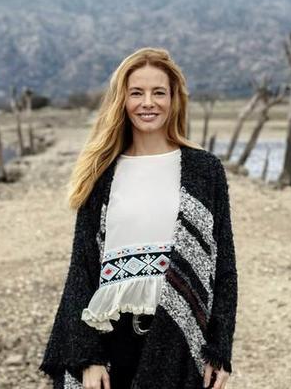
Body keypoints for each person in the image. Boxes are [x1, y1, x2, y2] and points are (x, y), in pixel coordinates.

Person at [39, 47, 238, 389]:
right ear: (122, 101)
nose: (148, 102)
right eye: (137, 93)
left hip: (180, 335)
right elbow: (83, 268)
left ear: (174, 99)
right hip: (112, 342)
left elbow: (224, 267)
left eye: (159, 92)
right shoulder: (102, 173)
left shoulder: (205, 170)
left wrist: (219, 350)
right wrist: (88, 357)